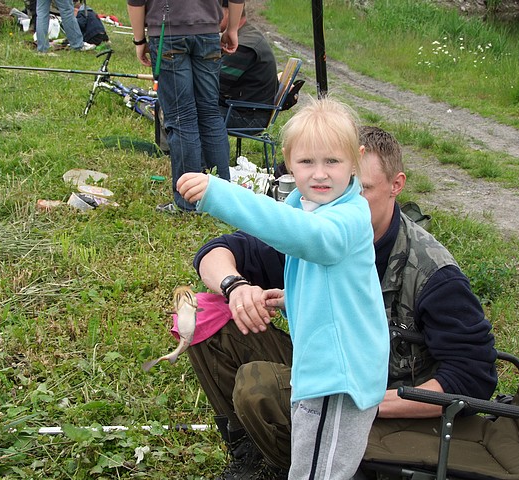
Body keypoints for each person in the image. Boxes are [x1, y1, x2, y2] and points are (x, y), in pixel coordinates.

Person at [187, 126, 498, 478]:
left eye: (361, 188)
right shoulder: (314, 223)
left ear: (396, 185)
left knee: (259, 385)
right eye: (342, 183)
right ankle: (250, 452)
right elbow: (218, 251)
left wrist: (371, 403)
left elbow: (473, 375)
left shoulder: (434, 274)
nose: (345, 196)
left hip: (384, 402)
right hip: (325, 367)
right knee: (203, 316)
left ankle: (292, 464)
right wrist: (235, 286)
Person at [178, 97, 389, 480]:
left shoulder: (349, 216)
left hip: (338, 379)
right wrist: (295, 300)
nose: (320, 174)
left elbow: (307, 237)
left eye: (333, 161)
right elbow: (343, 289)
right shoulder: (306, 205)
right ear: (289, 161)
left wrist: (221, 195)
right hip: (320, 369)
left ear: (355, 160)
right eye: (307, 162)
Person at [126, 0, 244, 213]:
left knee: (182, 118)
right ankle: (221, 199)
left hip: (167, 33)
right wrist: (232, 29)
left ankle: (188, 203)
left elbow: (135, 2)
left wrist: (139, 39)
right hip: (207, 32)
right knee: (210, 113)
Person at [219, 0, 278, 130]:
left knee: (187, 113)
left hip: (249, 117)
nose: (212, 17)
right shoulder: (247, 34)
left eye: (216, 10)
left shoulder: (244, 46)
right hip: (245, 110)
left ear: (229, 12)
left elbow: (215, 86)